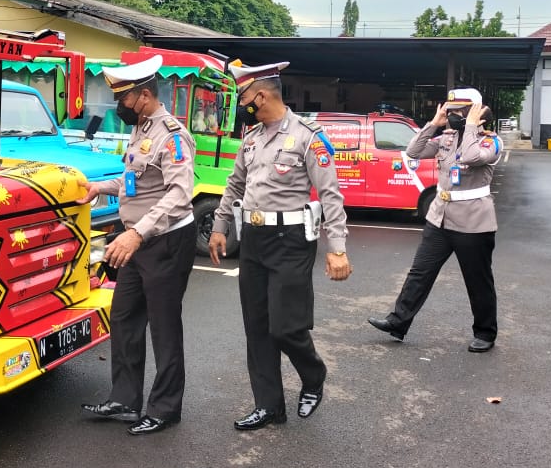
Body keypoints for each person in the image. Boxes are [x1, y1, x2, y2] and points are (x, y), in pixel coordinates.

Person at [208, 61, 352, 432]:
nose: (240, 103)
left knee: (286, 326)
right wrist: (220, 225)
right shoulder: (252, 138)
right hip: (254, 239)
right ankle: (269, 406)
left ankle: (313, 373)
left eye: (242, 96)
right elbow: (235, 185)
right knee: (256, 327)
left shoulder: (307, 136)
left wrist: (337, 247)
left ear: (260, 95)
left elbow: (331, 194)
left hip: (291, 241)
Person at [79, 54, 197, 435]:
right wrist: (101, 187)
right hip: (138, 240)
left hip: (164, 240)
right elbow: (137, 182)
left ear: (144, 96)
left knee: (163, 325)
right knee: (125, 317)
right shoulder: (142, 129)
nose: (120, 107)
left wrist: (136, 233)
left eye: (124, 100)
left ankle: (164, 408)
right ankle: (125, 399)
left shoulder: (173, 135)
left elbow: (180, 193)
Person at [367, 88, 504, 352]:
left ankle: (485, 333)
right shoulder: (447, 138)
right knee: (420, 273)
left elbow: (472, 157)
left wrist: (473, 126)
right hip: (439, 217)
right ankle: (398, 322)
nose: (452, 115)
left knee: (477, 280)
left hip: (473, 223)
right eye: (450, 110)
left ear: (474, 112)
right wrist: (434, 123)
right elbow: (413, 151)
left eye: (458, 111)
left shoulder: (489, 141)